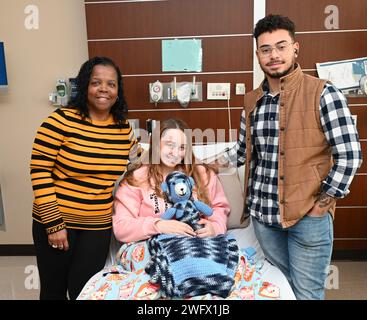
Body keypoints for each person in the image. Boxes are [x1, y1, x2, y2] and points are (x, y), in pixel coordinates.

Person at [212, 14, 362, 300]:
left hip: (309, 218)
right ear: (257, 54)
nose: (274, 55)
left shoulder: (323, 93)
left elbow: (350, 154)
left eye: (281, 46)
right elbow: (243, 151)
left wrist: (323, 203)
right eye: (265, 49)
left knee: (307, 293)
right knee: (283, 288)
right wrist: (205, 161)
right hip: (264, 218)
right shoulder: (251, 100)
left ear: (295, 48)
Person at [30, 56, 141, 300]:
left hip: (97, 228)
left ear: (117, 91)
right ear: (84, 86)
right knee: (54, 291)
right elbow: (39, 171)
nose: (104, 89)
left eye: (111, 84)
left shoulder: (124, 130)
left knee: (86, 291)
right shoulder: (60, 121)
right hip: (57, 223)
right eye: (96, 82)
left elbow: (138, 164)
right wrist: (54, 224)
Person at [113, 118, 230, 243]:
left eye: (182, 147)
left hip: (197, 244)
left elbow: (219, 208)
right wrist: (158, 225)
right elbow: (121, 227)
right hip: (154, 245)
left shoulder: (201, 174)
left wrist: (215, 228)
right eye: (170, 145)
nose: (175, 153)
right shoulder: (137, 179)